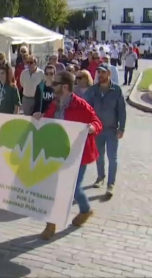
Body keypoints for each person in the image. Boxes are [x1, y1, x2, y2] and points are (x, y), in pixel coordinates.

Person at [33, 71, 102, 240]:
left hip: (78, 155)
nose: (52, 86)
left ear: (64, 87)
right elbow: (47, 120)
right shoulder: (54, 105)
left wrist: (91, 128)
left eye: (55, 83)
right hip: (57, 153)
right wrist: (39, 118)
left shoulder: (81, 105)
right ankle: (51, 224)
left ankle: (85, 210)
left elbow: (97, 123)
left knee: (73, 189)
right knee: (55, 188)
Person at [85, 64, 126, 197]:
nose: (100, 75)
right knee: (99, 156)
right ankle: (100, 177)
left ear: (109, 74)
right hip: (97, 130)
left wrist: (122, 128)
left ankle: (110, 184)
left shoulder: (117, 90)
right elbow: (87, 108)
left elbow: (122, 111)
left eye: (102, 73)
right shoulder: (93, 90)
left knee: (112, 158)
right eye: (98, 73)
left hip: (112, 130)